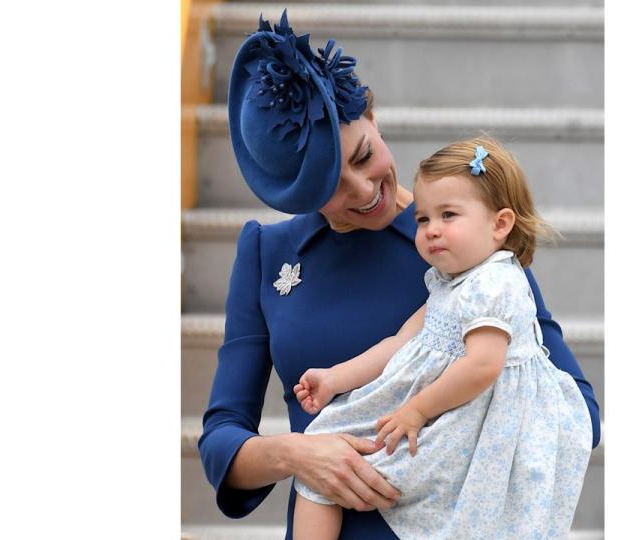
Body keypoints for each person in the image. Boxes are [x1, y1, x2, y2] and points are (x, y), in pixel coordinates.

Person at [198, 11, 600, 539]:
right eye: (330, 188)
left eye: (365, 156)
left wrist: (443, 434)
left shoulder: (467, 246)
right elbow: (221, 439)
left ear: (374, 115)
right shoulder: (266, 252)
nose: (364, 191)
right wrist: (300, 454)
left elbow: (577, 409)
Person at [290, 136, 593, 540]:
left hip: (474, 420)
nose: (431, 230)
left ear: (500, 224)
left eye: (448, 215)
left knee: (335, 466)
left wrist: (415, 412)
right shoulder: (449, 283)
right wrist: (335, 378)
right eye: (422, 219)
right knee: (322, 448)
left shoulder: (496, 283)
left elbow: (483, 365)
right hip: (445, 409)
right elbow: (401, 342)